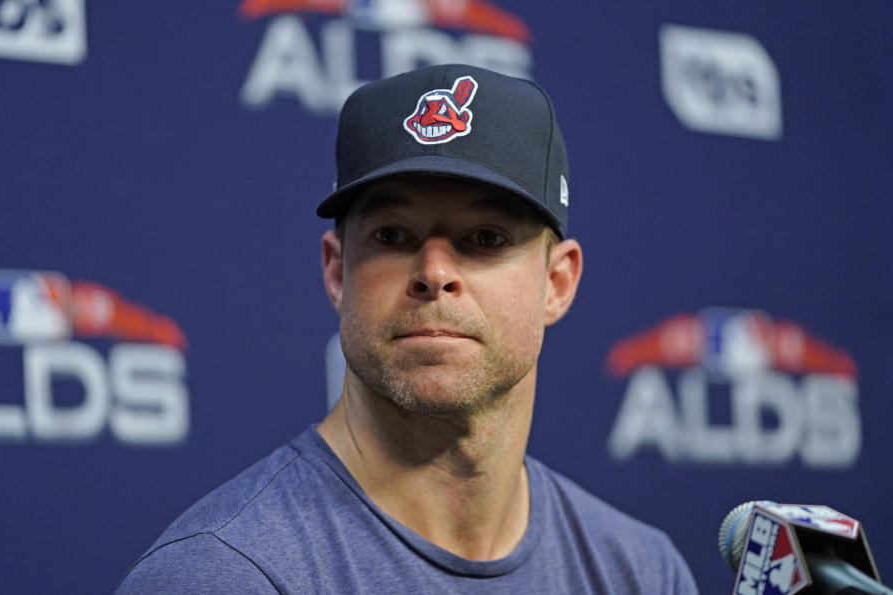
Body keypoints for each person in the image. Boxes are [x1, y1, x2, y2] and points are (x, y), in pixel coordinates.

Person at [117, 64, 699, 593]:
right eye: (393, 236)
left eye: (486, 238)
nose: (434, 272)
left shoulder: (641, 570)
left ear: (558, 282)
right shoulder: (221, 576)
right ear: (338, 271)